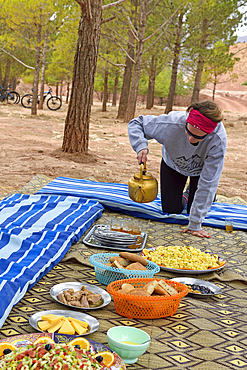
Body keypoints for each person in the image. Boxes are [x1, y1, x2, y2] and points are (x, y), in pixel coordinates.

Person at [128, 100, 227, 238]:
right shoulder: (171, 123)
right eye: (188, 131)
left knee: (195, 208)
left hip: (200, 170)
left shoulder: (218, 141)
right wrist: (141, 146)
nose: (190, 138)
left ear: (208, 133)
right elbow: (136, 123)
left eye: (198, 137)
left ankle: (197, 194)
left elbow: (209, 183)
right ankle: (187, 195)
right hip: (173, 165)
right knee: (171, 209)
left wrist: (195, 223)